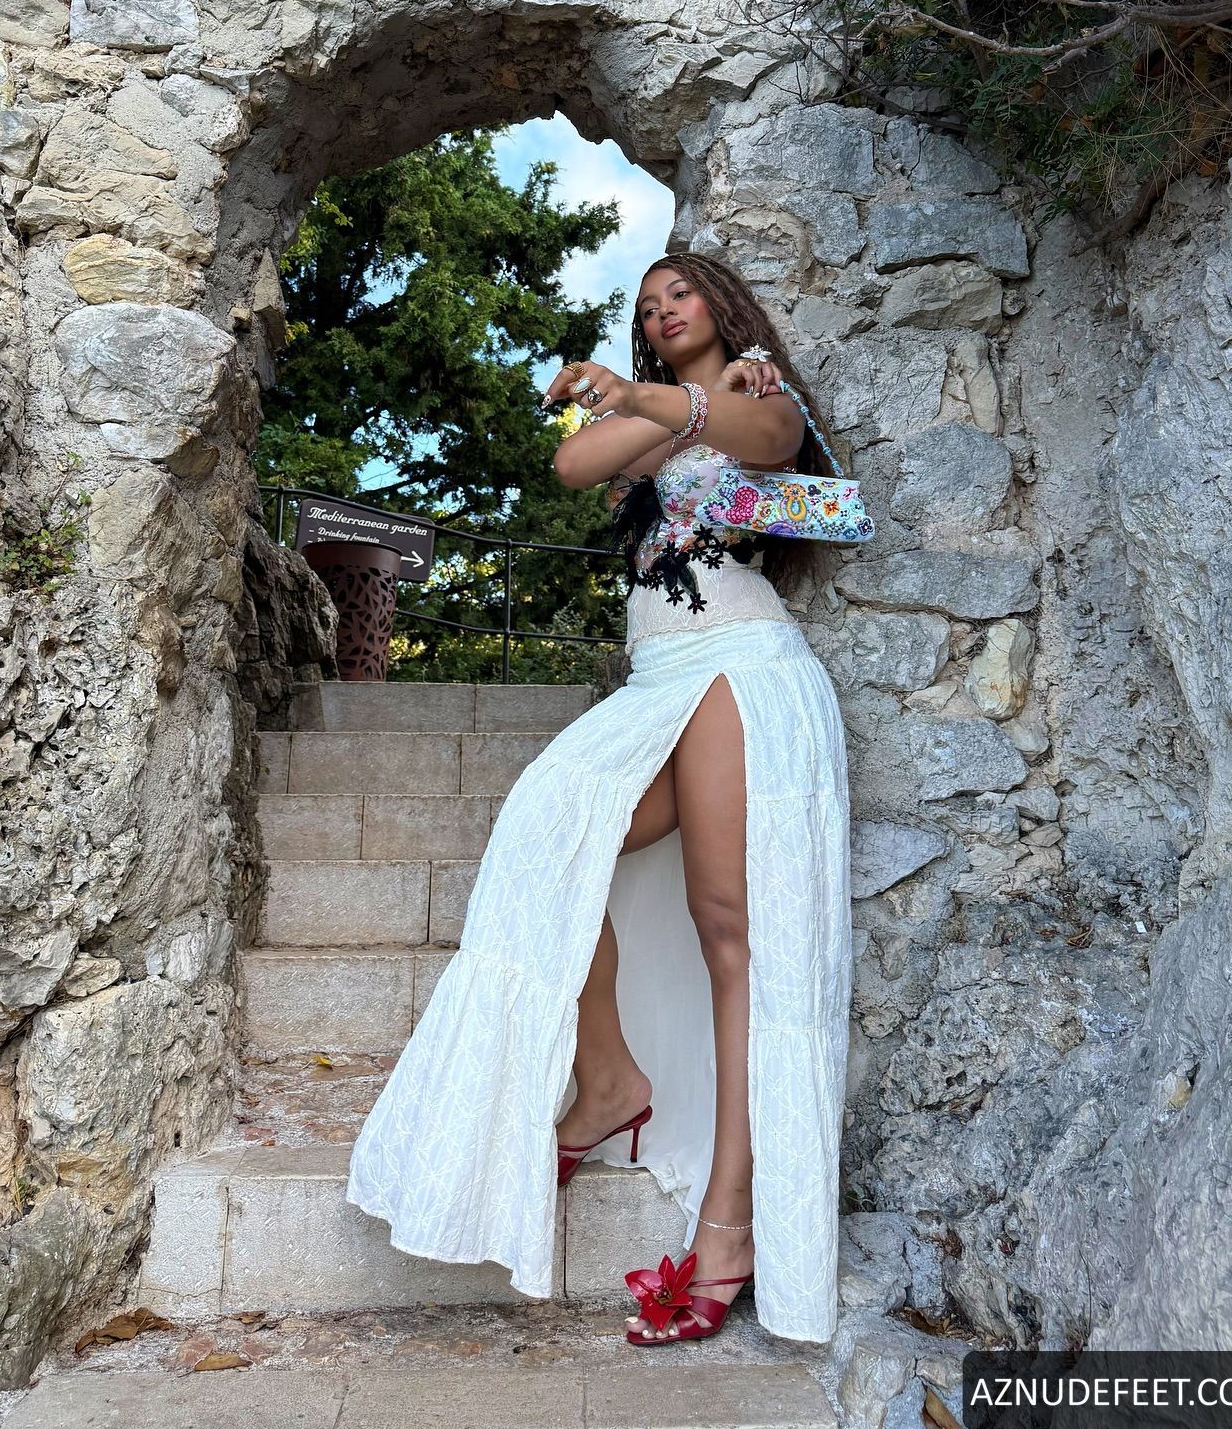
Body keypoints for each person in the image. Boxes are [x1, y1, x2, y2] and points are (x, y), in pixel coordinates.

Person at [347, 251, 854, 1347]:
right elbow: (577, 464)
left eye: (681, 294)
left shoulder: (762, 393)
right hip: (659, 681)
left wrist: (667, 400)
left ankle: (730, 1225)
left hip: (740, 666)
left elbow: (772, 444)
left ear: (722, 306)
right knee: (549, 838)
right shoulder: (659, 414)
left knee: (732, 933)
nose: (663, 310)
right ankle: (611, 1079)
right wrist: (638, 403)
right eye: (647, 304)